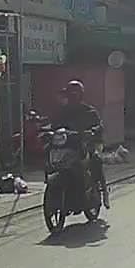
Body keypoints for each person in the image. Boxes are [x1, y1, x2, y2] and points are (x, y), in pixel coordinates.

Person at [53, 80, 108, 208]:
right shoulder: (62, 111)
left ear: (80, 95)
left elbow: (99, 127)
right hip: (69, 145)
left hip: (89, 143)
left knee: (95, 159)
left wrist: (92, 131)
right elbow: (54, 125)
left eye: (75, 94)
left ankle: (103, 191)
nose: (72, 97)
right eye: (70, 94)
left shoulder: (89, 111)